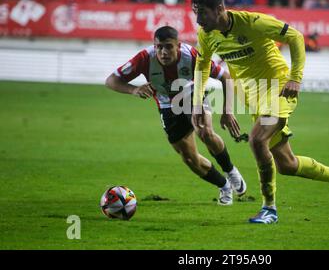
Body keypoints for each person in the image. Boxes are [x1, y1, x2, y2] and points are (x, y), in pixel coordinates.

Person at [191, 0, 329, 224]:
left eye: (202, 13)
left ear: (219, 9)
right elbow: (202, 66)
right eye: (195, 13)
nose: (198, 20)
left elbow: (295, 36)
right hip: (254, 98)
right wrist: (199, 103)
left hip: (278, 88)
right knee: (286, 165)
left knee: (257, 139)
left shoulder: (254, 23)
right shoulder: (206, 35)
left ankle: (269, 208)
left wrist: (295, 78)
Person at [105, 26, 247, 206]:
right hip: (167, 105)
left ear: (178, 46)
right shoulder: (144, 59)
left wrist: (227, 111)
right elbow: (111, 80)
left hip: (191, 96)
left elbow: (225, 77)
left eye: (168, 47)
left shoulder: (192, 56)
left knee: (204, 131)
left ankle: (230, 170)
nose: (163, 52)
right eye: (159, 47)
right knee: (189, 158)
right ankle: (224, 186)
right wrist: (134, 89)